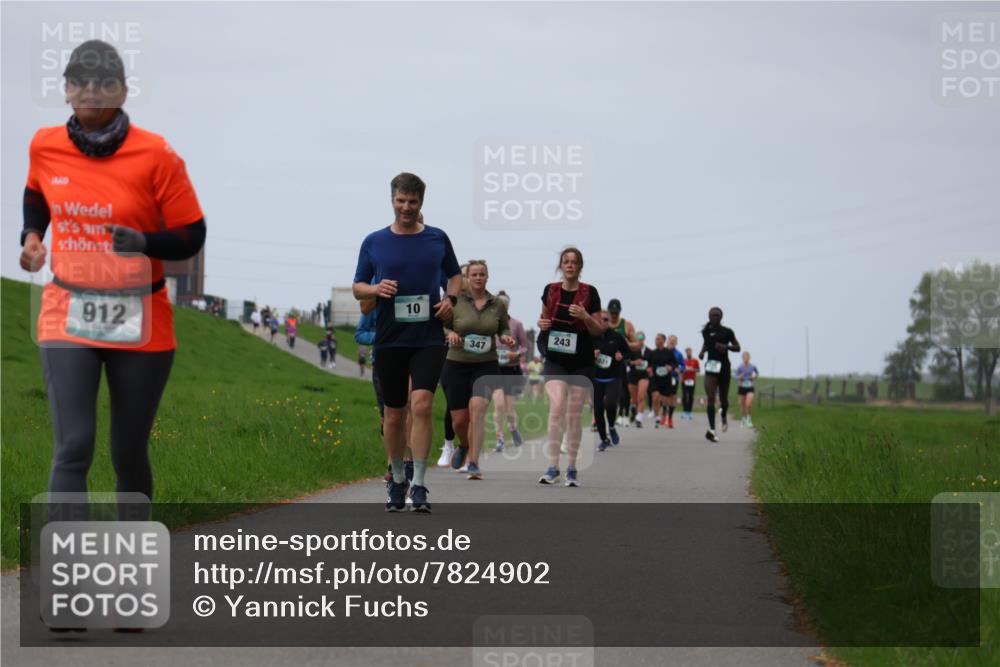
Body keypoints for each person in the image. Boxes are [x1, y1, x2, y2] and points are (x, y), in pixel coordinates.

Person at [19, 40, 205, 523]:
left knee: (128, 452)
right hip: (68, 309)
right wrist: (33, 236)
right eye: (80, 83)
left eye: (104, 84)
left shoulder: (157, 155)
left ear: (122, 90)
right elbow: (36, 192)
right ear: (65, 91)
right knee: (73, 446)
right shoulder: (44, 144)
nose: (91, 92)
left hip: (140, 316)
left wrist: (144, 242)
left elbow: (191, 234)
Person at [352, 172, 460, 512]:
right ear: (392, 200)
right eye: (401, 201)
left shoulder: (437, 238)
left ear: (421, 203)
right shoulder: (374, 241)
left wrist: (451, 301)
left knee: (423, 405)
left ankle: (420, 484)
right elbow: (357, 286)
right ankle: (397, 479)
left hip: (427, 336)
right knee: (394, 415)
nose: (407, 207)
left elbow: (454, 276)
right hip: (390, 339)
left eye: (413, 202)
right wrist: (376, 288)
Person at [536, 247, 605, 487]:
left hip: (581, 361)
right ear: (561, 266)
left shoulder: (590, 293)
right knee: (556, 406)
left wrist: (585, 316)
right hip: (555, 358)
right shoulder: (551, 290)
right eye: (566, 261)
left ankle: (572, 468)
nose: (569, 265)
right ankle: (552, 466)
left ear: (580, 266)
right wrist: (542, 323)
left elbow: (599, 329)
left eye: (574, 262)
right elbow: (544, 320)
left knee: (574, 415)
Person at [441, 261, 515, 480]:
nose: (478, 278)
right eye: (474, 274)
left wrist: (505, 336)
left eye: (482, 274)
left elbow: (503, 327)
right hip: (456, 363)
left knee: (478, 409)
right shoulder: (455, 302)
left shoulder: (497, 304)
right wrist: (449, 333)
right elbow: (442, 324)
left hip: (486, 365)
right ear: (467, 277)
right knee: (460, 421)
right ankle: (464, 444)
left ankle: (473, 462)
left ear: (487, 277)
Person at [698, 307, 741, 442]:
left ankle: (723, 416)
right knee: (710, 396)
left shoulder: (727, 332)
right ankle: (712, 429)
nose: (715, 317)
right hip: (711, 367)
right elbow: (707, 342)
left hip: (724, 369)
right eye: (712, 315)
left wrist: (726, 347)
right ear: (709, 316)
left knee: (723, 399)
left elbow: (738, 347)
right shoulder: (706, 331)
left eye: (717, 315)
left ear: (721, 317)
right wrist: (702, 352)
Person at [492, 290, 527, 452]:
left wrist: (517, 353)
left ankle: (513, 429)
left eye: (504, 305)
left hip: (511, 369)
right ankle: (499, 438)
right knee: (498, 405)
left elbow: (525, 346)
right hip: (494, 369)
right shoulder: (489, 323)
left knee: (509, 407)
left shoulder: (517, 324)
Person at [593, 311, 630, 451]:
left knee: (610, 404)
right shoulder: (590, 337)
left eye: (606, 320)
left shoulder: (616, 336)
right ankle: (604, 439)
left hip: (614, 377)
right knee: (597, 409)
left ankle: (612, 427)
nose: (603, 322)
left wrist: (622, 355)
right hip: (596, 377)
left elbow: (628, 352)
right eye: (601, 319)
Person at [605, 299, 640, 426]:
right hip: (604, 361)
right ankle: (598, 418)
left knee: (623, 389)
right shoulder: (603, 323)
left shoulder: (626, 325)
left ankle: (623, 413)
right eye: (612, 313)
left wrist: (625, 343)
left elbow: (636, 344)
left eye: (616, 313)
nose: (614, 315)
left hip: (620, 361)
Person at [659, 335, 685, 428]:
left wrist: (680, 369)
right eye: (670, 340)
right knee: (663, 397)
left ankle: (670, 419)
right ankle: (664, 413)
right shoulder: (662, 351)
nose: (672, 342)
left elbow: (683, 365)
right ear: (667, 341)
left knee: (672, 397)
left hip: (674, 378)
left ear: (676, 343)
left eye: (674, 341)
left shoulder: (679, 354)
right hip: (663, 378)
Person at [734, 352, 759, 427]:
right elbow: (735, 376)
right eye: (744, 358)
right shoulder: (740, 367)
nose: (746, 359)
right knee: (742, 405)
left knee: (748, 404)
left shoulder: (752, 366)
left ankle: (749, 419)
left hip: (750, 387)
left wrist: (754, 377)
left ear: (749, 358)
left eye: (747, 357)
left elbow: (757, 373)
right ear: (742, 358)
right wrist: (739, 377)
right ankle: (743, 420)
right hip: (741, 387)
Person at [681, 346, 700, 420]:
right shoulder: (683, 360)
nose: (689, 353)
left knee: (691, 396)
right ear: (686, 353)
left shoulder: (695, 361)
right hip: (684, 380)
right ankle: (685, 411)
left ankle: (689, 411)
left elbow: (698, 370)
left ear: (691, 352)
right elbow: (680, 369)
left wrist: (693, 369)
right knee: (684, 396)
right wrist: (684, 369)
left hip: (692, 380)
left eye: (690, 352)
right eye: (687, 352)